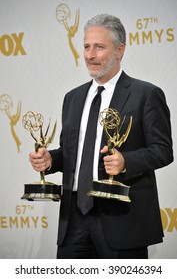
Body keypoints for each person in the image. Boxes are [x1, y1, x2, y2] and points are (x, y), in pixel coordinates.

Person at [29, 14, 173, 259]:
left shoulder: (146, 94)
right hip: (73, 220)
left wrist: (126, 161)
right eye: (86, 46)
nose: (89, 55)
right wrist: (50, 160)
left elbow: (162, 150)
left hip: (122, 220)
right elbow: (71, 153)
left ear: (120, 50)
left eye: (99, 47)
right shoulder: (72, 98)